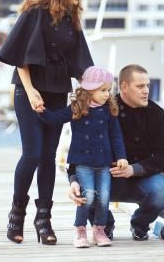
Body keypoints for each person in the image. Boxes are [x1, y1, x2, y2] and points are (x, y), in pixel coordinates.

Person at [0, 0, 93, 245]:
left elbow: (82, 63)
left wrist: (97, 90)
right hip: (29, 91)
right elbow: (18, 57)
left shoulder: (72, 18)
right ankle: (17, 215)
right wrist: (31, 92)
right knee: (33, 154)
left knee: (49, 157)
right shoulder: (34, 11)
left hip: (57, 91)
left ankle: (44, 221)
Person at [68, 64, 164, 241]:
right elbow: (79, 151)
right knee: (86, 186)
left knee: (162, 190)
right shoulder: (99, 110)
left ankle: (139, 226)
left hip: (142, 179)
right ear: (124, 87)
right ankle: (104, 227)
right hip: (105, 179)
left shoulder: (156, 114)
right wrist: (72, 181)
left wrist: (135, 169)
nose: (146, 91)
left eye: (148, 85)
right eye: (140, 86)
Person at [38, 66, 128, 248]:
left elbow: (116, 135)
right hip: (83, 163)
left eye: (108, 90)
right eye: (103, 90)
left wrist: (121, 156)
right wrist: (41, 110)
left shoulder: (108, 110)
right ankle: (80, 231)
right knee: (87, 196)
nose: (106, 94)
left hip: (103, 163)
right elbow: (55, 119)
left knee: (103, 197)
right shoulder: (76, 107)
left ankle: (99, 230)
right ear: (89, 89)